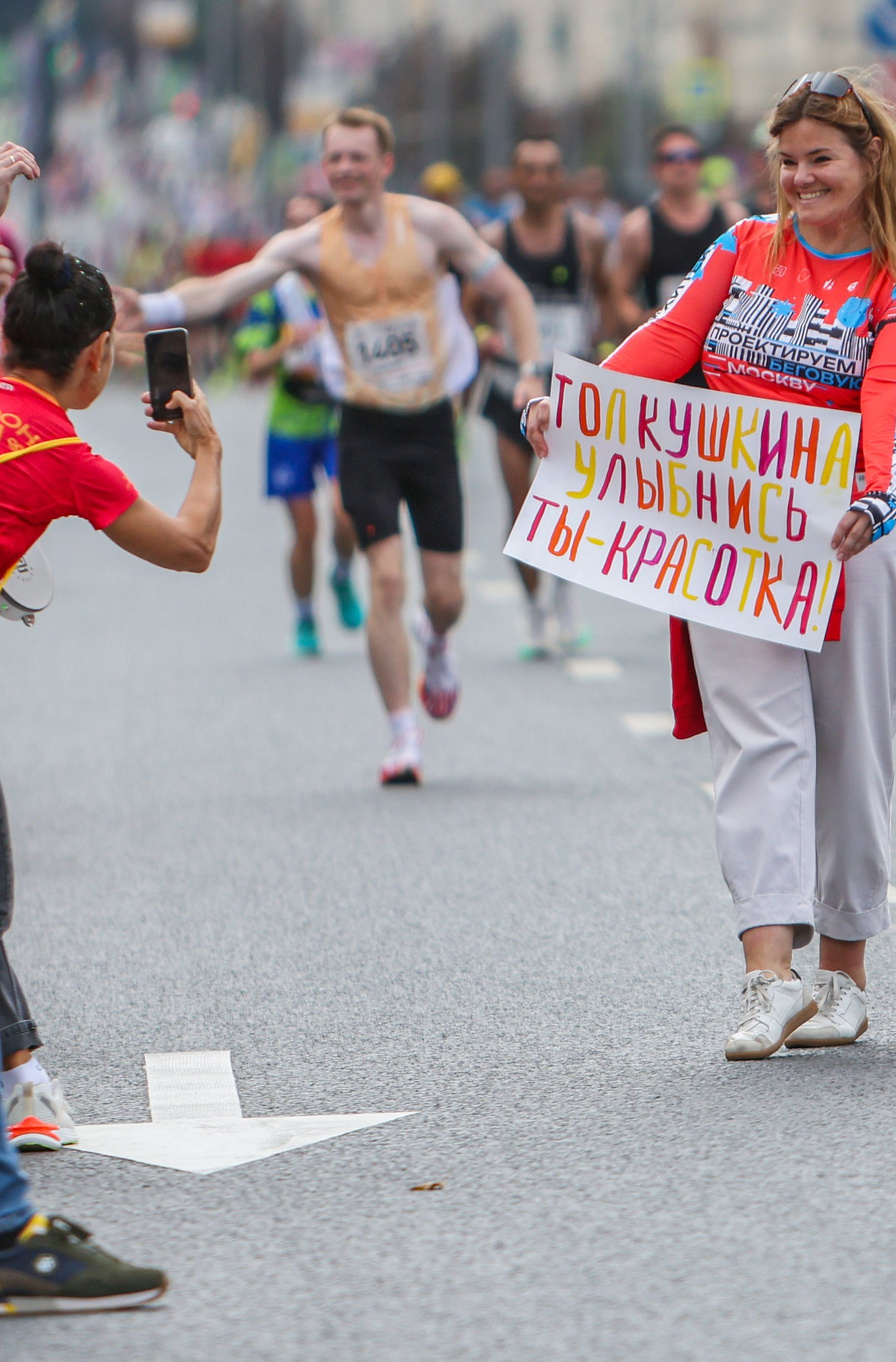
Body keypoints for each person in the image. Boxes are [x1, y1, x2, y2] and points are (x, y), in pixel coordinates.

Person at [528, 68, 896, 1061]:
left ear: (870, 161)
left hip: (860, 531)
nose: (801, 178)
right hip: (731, 531)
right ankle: (767, 977)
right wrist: (577, 405)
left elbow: (892, 401)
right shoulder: (741, 248)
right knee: (756, 743)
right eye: (789, 160)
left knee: (851, 746)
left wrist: (876, 497)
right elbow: (666, 341)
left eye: (822, 159)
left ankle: (844, 975)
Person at [121, 107, 544, 785]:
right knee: (387, 580)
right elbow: (231, 285)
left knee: (443, 596)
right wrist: (159, 307)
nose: (345, 169)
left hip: (433, 424)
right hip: (365, 425)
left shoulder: (432, 226)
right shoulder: (311, 243)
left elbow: (511, 292)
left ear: (384, 163)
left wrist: (528, 371)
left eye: (357, 157)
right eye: (334, 159)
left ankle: (436, 643)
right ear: (326, 169)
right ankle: (402, 734)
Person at [0, 221, 229, 1311]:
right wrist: (209, 453)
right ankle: (9, 1229)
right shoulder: (56, 451)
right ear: (96, 359)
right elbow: (189, 547)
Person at [477, 135, 612, 657]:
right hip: (513, 384)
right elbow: (470, 305)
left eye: (548, 170)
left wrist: (618, 339)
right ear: (515, 177)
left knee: (570, 503)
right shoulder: (494, 238)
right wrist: (482, 335)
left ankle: (563, 595)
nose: (538, 180)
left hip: (571, 385)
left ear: (562, 178)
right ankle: (533, 606)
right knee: (520, 504)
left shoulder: (588, 237)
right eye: (528, 170)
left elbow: (604, 293)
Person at [232, 192, 363, 656]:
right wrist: (286, 346)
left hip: (340, 418)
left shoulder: (347, 283)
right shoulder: (274, 294)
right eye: (290, 223)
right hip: (290, 424)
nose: (298, 233)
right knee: (305, 532)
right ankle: (306, 615)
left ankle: (343, 575)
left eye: (309, 223)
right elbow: (251, 367)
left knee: (347, 514)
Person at [611, 126, 745, 332]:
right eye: (671, 158)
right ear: (655, 168)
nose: (682, 164)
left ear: (701, 164)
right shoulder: (638, 228)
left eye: (691, 156)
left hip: (719, 346)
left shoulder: (732, 219)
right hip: (664, 346)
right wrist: (643, 320)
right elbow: (619, 294)